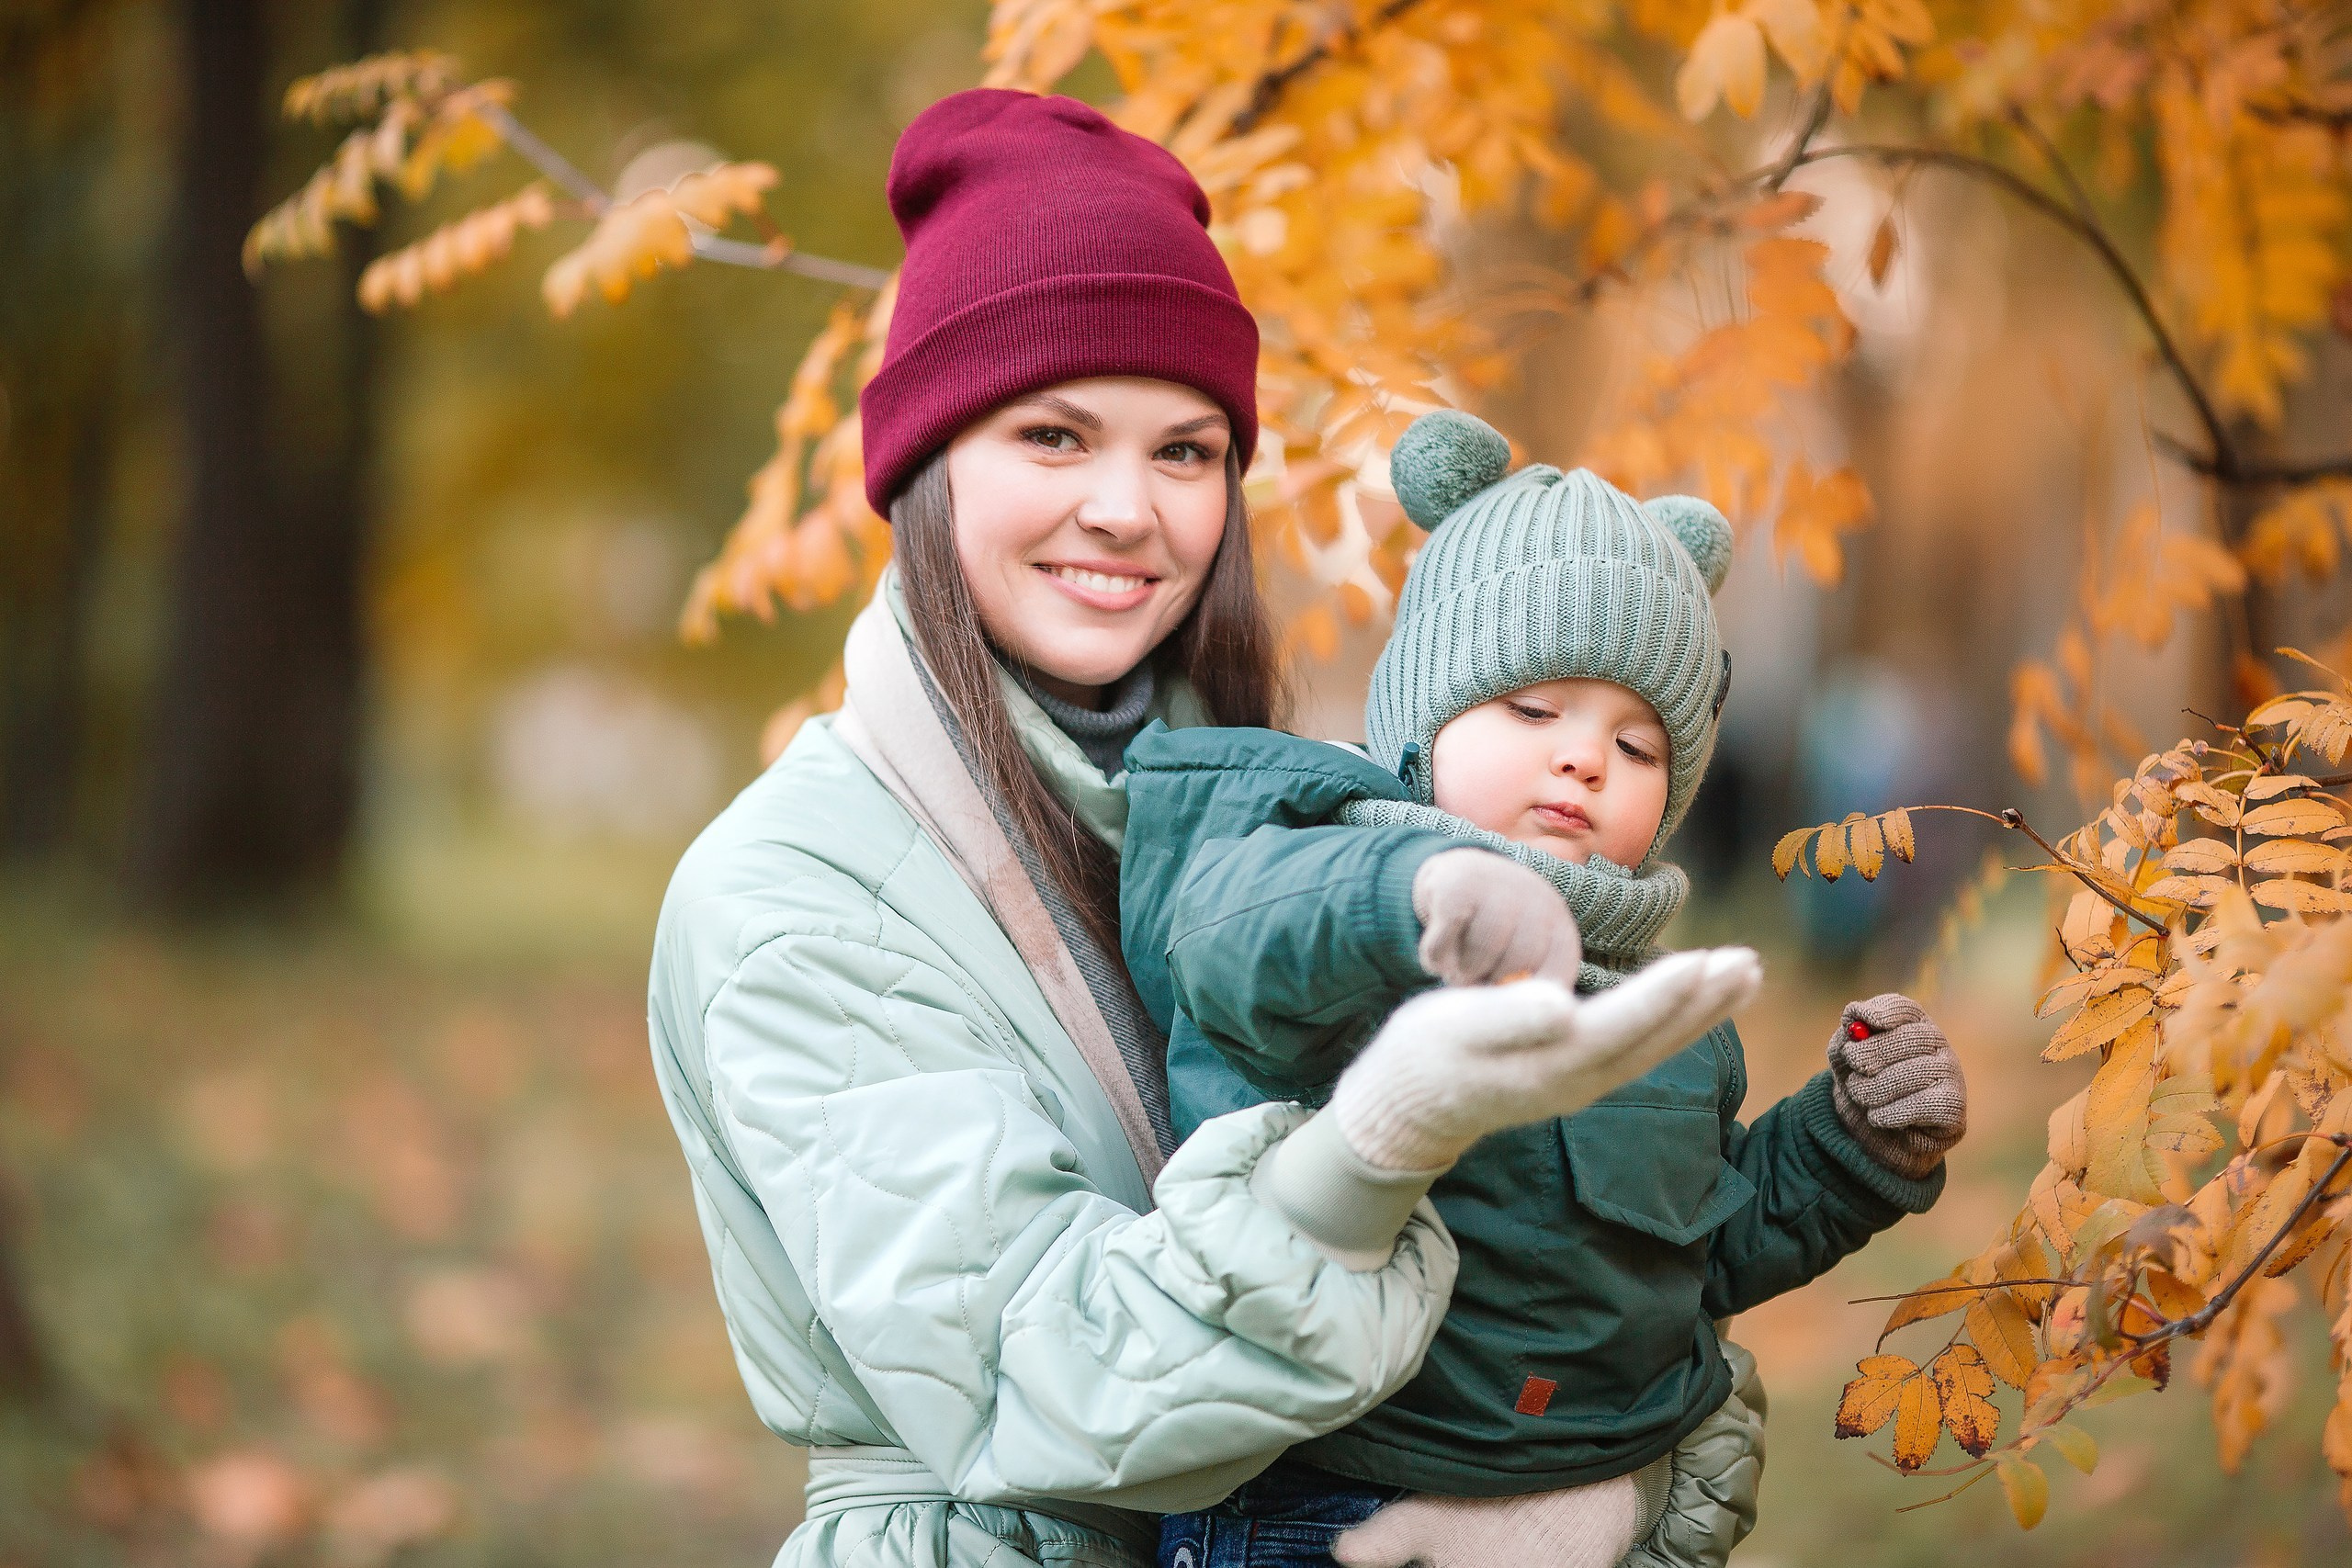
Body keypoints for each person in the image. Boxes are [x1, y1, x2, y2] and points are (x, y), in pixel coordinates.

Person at [647, 91, 1760, 1568]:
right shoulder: (795, 891)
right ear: (928, 463)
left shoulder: (1296, 827)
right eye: (1055, 434)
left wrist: (1593, 1496)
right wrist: (1378, 1140)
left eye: (1184, 452)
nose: (1127, 507)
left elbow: (1587, 1289)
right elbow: (1044, 1379)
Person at [1124, 411, 1972, 1568]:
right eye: (1532, 710)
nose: (1582, 758)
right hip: (1318, 1507)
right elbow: (1228, 949)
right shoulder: (1322, 877)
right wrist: (1412, 894)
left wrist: (1851, 1146)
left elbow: (1694, 1263)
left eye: (1638, 747)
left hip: (1583, 1516)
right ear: (1421, 725)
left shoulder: (1662, 1014)